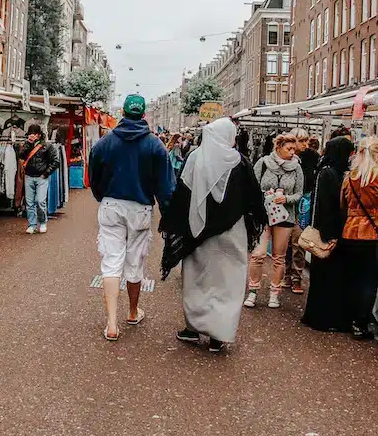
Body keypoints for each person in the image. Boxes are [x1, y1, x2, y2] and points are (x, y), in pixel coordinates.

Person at [160, 118, 266, 353]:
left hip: (198, 232)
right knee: (227, 282)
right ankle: (219, 335)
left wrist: (177, 229)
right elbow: (254, 201)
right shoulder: (240, 162)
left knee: (197, 279)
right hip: (231, 233)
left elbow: (182, 194)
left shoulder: (195, 158)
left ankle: (193, 328)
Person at [89, 94, 175, 342]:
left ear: (123, 114)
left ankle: (112, 324)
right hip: (139, 208)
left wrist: (101, 195)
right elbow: (166, 187)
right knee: (134, 262)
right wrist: (168, 214)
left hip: (111, 204)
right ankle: (133, 311)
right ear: (144, 115)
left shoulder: (105, 143)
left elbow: (93, 176)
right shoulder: (155, 145)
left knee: (111, 261)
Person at [339, 136, 378, 338]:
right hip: (374, 235)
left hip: (351, 232)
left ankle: (349, 318)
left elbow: (343, 205)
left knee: (354, 278)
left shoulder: (349, 177)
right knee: (369, 280)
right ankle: (361, 323)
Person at [300, 136, 355, 332]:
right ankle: (323, 319)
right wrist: (330, 235)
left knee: (325, 278)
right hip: (329, 233)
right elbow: (325, 206)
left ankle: (322, 317)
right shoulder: (329, 174)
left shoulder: (327, 171)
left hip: (330, 231)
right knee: (327, 278)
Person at [245, 134, 304, 309]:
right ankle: (253, 291)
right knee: (258, 254)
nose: (293, 152)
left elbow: (299, 193)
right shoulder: (263, 163)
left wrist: (286, 198)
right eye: (289, 148)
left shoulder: (297, 168)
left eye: (294, 149)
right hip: (264, 215)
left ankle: (274, 293)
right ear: (278, 147)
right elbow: (252, 188)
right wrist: (264, 197)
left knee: (279, 257)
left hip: (285, 217)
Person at [286, 128, 318, 295]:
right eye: (302, 141)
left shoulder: (312, 157)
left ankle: (296, 277)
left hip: (303, 203)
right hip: (286, 204)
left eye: (306, 140)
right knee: (285, 241)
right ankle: (286, 273)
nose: (305, 144)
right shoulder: (285, 158)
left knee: (298, 240)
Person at [17, 124, 59, 234]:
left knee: (40, 201)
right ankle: (32, 225)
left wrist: (46, 174)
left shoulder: (47, 146)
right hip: (29, 176)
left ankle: (43, 222)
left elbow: (55, 161)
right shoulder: (27, 145)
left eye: (34, 134)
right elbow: (21, 156)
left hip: (41, 178)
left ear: (39, 135)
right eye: (30, 134)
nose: (32, 136)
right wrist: (28, 145)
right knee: (29, 203)